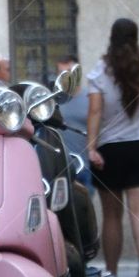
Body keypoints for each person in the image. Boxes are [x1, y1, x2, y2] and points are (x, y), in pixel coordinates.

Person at [87, 18, 139, 277]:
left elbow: (94, 112)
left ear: (111, 37)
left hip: (110, 150)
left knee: (112, 215)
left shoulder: (99, 72)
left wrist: (92, 146)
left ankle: (112, 274)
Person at [55, 55, 92, 188]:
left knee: (86, 207)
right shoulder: (53, 101)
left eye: (69, 73)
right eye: (61, 73)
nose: (65, 77)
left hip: (87, 168)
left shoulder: (91, 98)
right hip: (61, 170)